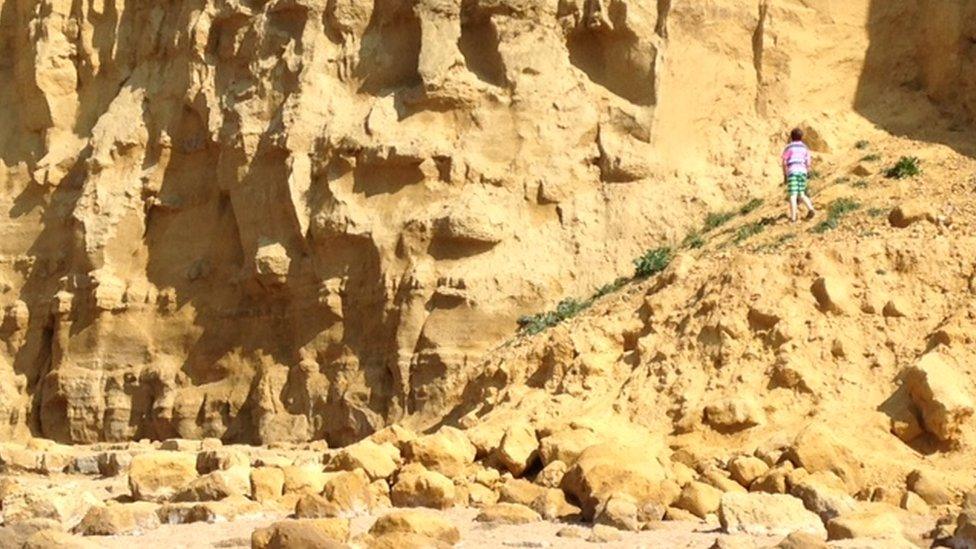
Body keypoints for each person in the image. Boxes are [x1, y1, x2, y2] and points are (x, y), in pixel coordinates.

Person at [781, 128, 816, 223]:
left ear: (791, 137)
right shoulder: (805, 148)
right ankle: (811, 209)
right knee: (801, 193)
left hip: (793, 171)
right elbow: (808, 162)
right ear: (801, 137)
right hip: (802, 171)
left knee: (793, 194)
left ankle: (793, 218)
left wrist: (785, 174)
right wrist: (807, 171)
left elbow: (784, 162)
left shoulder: (788, 147)